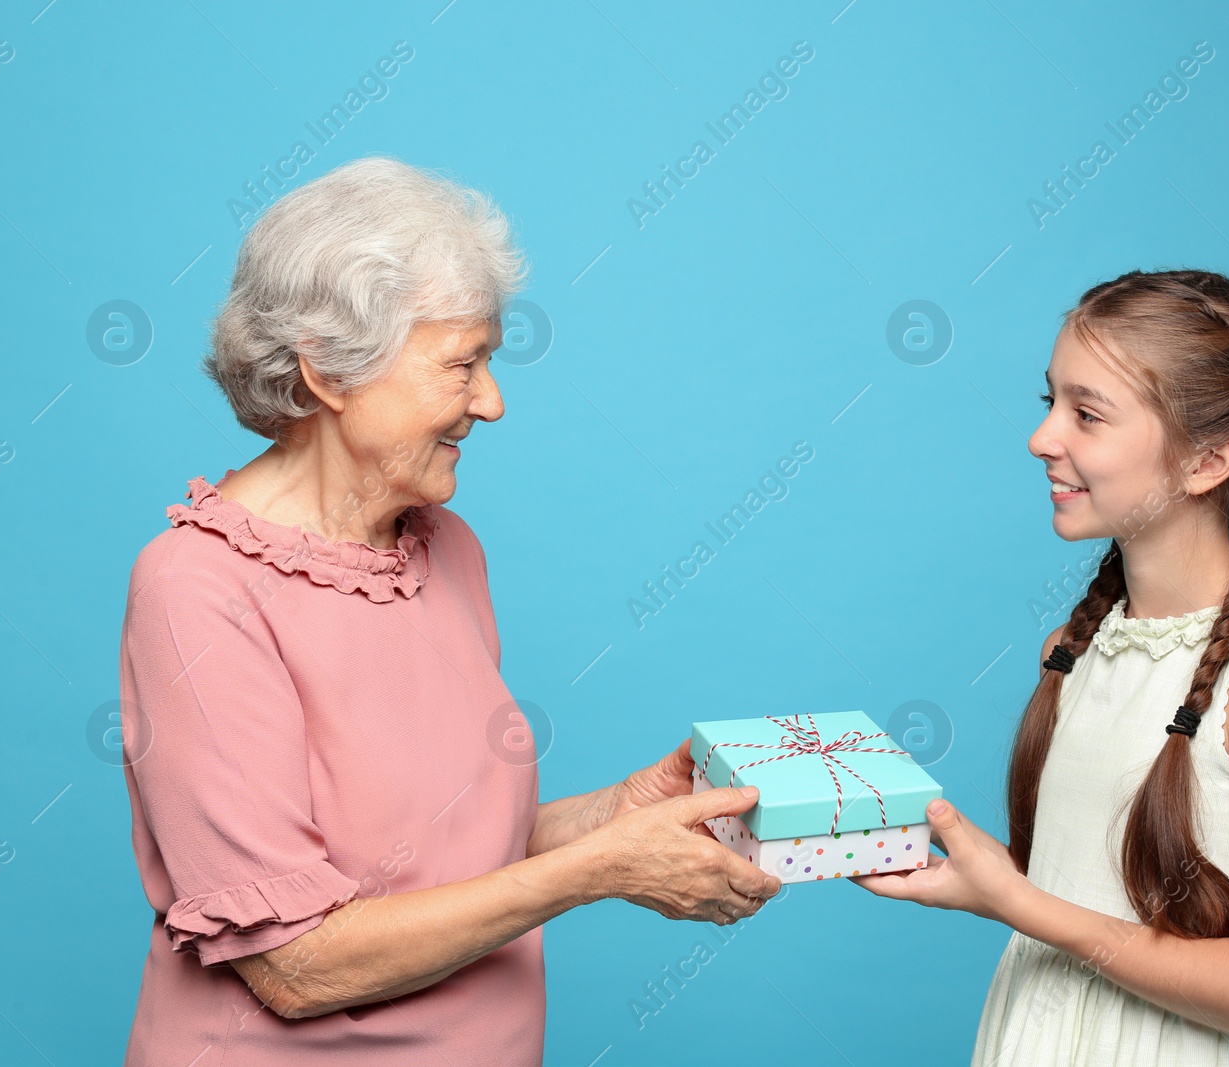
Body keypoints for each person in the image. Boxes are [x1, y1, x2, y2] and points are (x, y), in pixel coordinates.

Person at [117, 156, 780, 1065]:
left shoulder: (445, 549)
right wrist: (595, 871)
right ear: (328, 373)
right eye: (462, 363)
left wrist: (615, 817)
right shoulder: (196, 589)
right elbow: (296, 963)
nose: (493, 402)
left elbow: (432, 861)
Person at [855, 269, 1229, 1063]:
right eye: (1048, 402)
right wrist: (979, 880)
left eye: (1087, 414)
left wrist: (1018, 901)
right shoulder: (1074, 645)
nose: (1043, 438)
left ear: (1207, 462)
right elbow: (1086, 891)